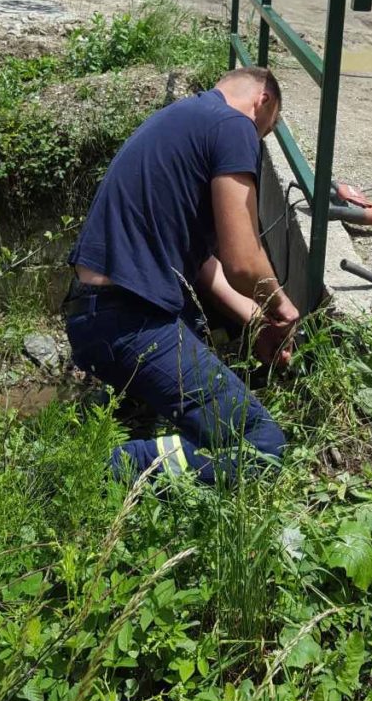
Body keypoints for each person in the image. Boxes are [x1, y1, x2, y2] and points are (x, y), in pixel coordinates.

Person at [64, 67, 299, 485]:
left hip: (96, 315)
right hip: (130, 319)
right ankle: (98, 472)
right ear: (263, 101)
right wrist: (281, 307)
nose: (257, 143)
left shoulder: (184, 119)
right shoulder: (234, 124)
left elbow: (205, 267)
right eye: (266, 133)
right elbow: (242, 261)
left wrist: (255, 319)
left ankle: (134, 416)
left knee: (200, 325)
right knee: (261, 446)